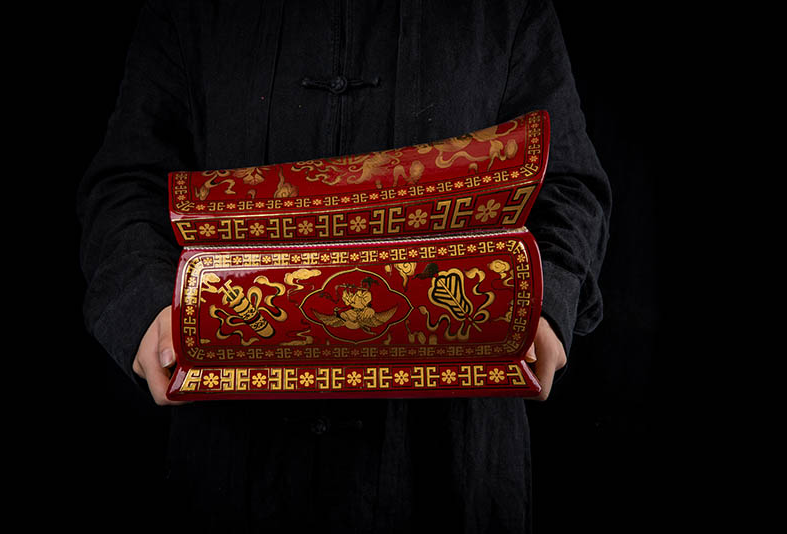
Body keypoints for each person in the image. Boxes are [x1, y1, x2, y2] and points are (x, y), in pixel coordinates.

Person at [77, 0, 610, 532]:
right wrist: (149, 308)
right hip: (233, 461)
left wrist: (543, 302)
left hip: (446, 461)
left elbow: (567, 182)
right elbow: (128, 183)